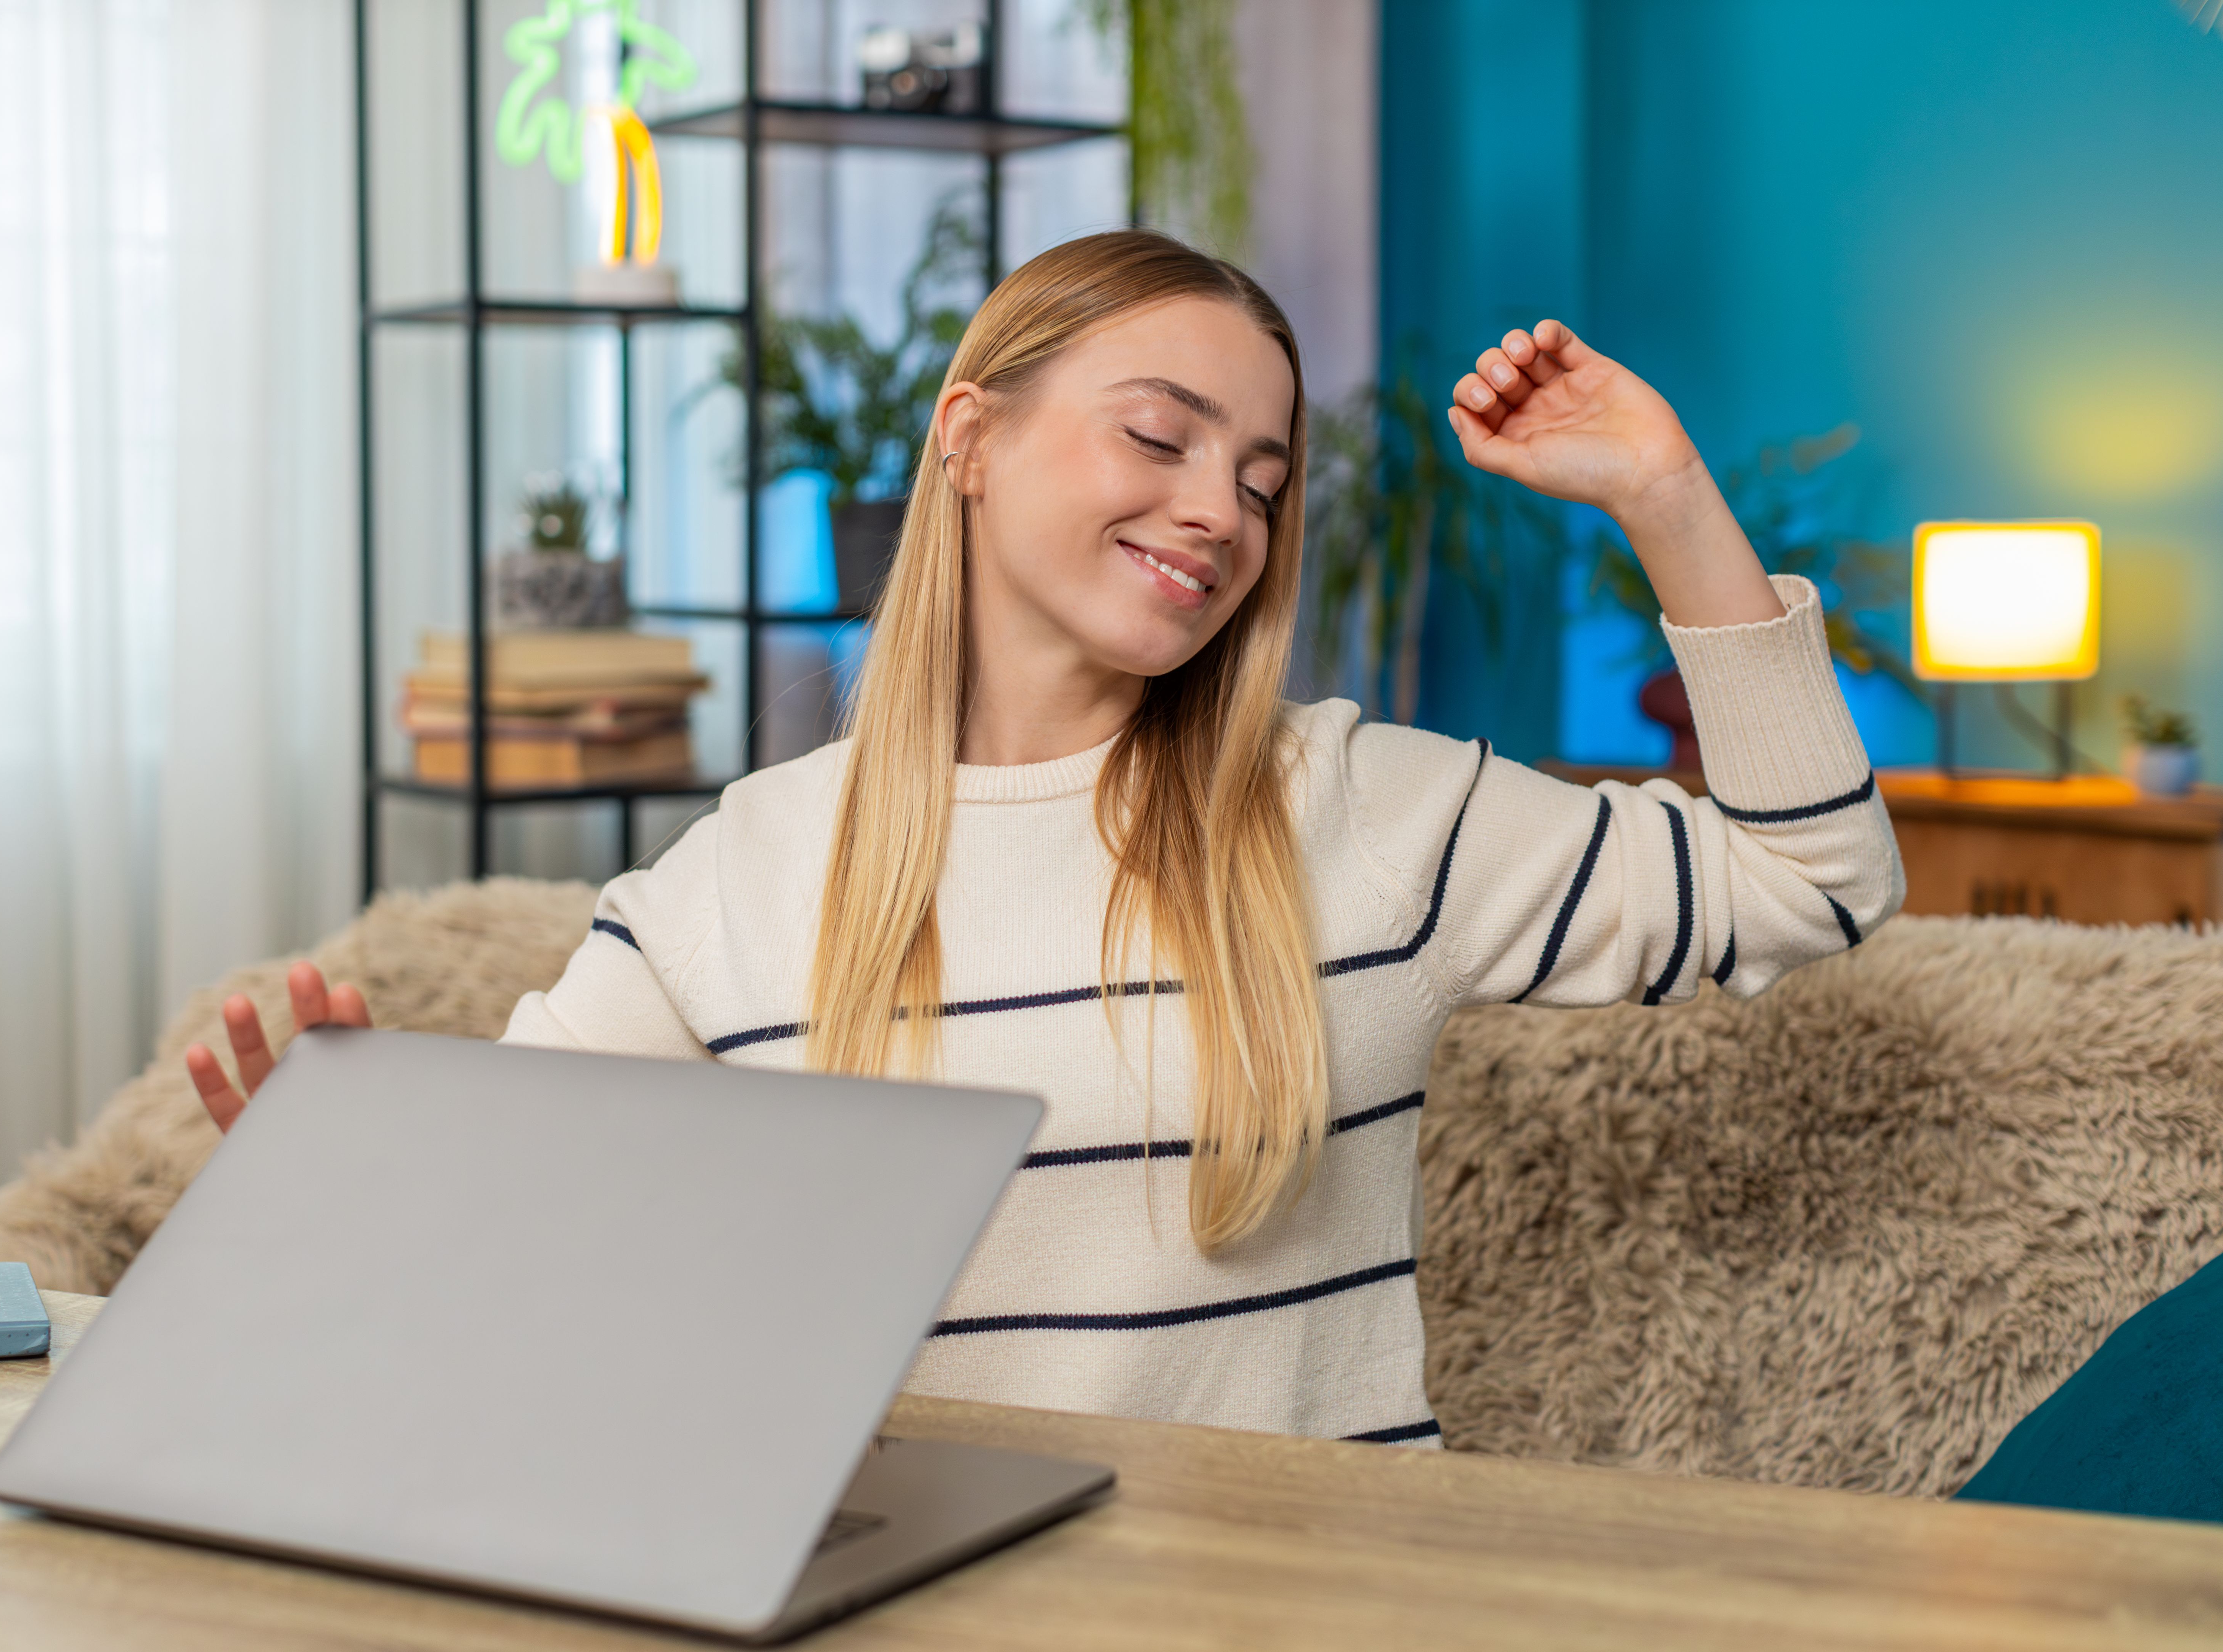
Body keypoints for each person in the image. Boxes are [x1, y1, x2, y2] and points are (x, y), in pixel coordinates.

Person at [189, 231, 1902, 1445]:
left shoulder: (1363, 807)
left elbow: (1814, 883)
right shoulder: (741, 873)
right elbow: (514, 1240)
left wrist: (1667, 496)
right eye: (1158, 435)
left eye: (1260, 478)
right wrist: (346, 1160)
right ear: (970, 437)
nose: (1216, 509)